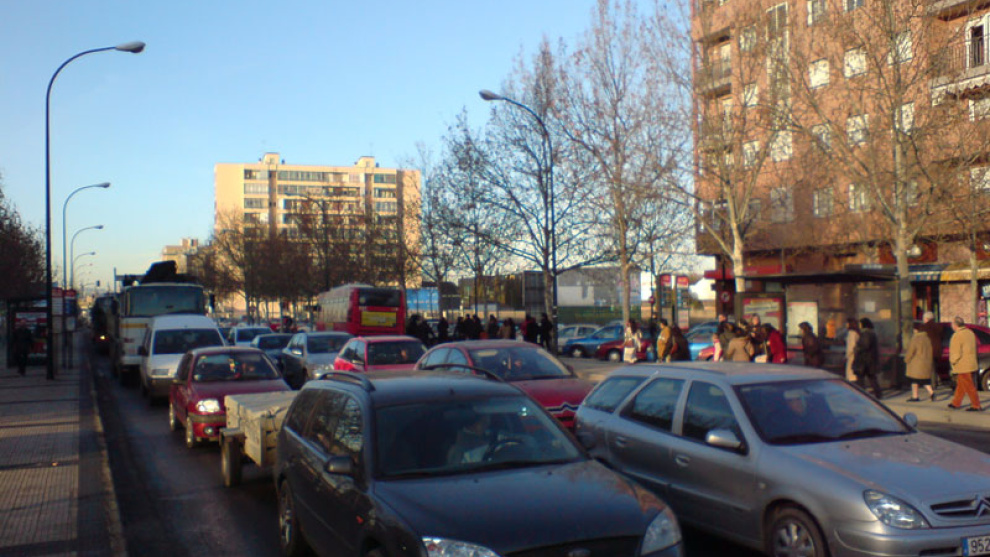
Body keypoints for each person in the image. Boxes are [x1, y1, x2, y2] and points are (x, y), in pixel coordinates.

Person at [948, 316, 982, 411]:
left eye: (952, 324)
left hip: (962, 365)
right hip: (971, 363)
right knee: (961, 385)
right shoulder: (970, 333)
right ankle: (956, 402)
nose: (951, 326)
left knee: (969, 386)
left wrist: (952, 361)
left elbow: (956, 352)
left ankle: (976, 405)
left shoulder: (957, 336)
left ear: (955, 325)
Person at [904, 321, 935, 402]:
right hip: (926, 362)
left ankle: (915, 396)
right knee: (924, 380)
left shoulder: (915, 338)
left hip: (916, 363)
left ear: (916, 329)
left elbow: (911, 351)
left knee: (914, 379)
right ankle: (931, 392)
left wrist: (906, 359)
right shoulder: (927, 338)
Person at [854, 318, 882, 398]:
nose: (859, 325)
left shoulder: (866, 333)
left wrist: (857, 348)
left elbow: (865, 345)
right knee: (872, 378)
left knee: (861, 378)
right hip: (869, 360)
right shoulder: (871, 333)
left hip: (865, 360)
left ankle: (861, 394)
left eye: (860, 324)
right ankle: (878, 394)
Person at [920, 311, 943, 392]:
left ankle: (931, 384)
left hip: (927, 350)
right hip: (937, 350)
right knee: (934, 366)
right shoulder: (938, 327)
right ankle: (935, 382)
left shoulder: (924, 327)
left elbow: (921, 340)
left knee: (929, 368)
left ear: (926, 318)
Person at [844, 317, 860, 383]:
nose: (846, 325)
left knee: (851, 375)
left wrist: (846, 356)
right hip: (855, 357)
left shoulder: (851, 333)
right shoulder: (856, 333)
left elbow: (851, 347)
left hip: (851, 357)